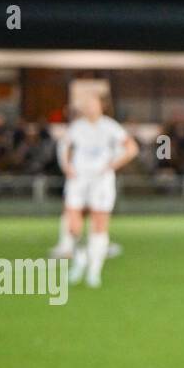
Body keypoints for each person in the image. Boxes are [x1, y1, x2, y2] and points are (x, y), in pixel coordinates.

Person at [52, 91, 139, 287]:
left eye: (93, 103)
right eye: (86, 103)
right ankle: (79, 258)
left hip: (101, 181)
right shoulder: (77, 127)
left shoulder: (110, 127)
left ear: (101, 106)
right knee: (73, 223)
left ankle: (94, 271)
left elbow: (131, 148)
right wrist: (66, 166)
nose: (89, 107)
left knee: (99, 225)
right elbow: (64, 146)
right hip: (79, 180)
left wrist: (112, 166)